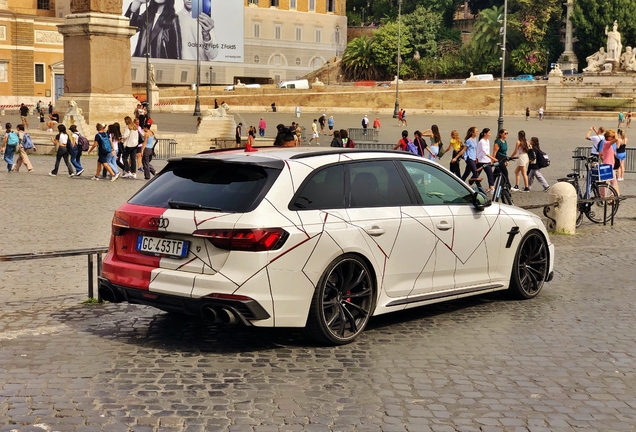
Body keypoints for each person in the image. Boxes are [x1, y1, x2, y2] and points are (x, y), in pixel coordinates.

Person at [476, 128, 498, 193]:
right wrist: (493, 158)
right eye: (489, 133)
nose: (490, 134)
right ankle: (469, 185)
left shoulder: (487, 141)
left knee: (490, 175)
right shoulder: (481, 141)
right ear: (485, 134)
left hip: (487, 161)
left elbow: (488, 151)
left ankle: (492, 188)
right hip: (481, 161)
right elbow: (485, 152)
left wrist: (490, 159)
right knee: (476, 175)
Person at [601, 129, 620, 194]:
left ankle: (611, 196)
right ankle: (603, 196)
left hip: (609, 165)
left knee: (613, 182)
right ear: (608, 137)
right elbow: (617, 139)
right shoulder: (606, 143)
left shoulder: (609, 145)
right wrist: (615, 133)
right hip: (607, 165)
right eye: (612, 137)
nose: (613, 138)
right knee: (606, 183)